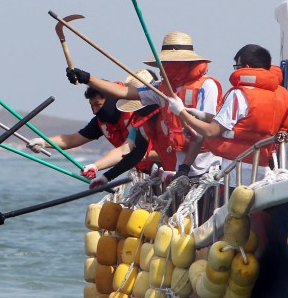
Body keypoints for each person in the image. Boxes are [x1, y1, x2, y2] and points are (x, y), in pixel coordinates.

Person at [68, 32, 223, 187]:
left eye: (167, 63)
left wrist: (184, 168)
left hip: (206, 172)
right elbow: (124, 92)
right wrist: (87, 78)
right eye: (162, 63)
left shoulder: (206, 86)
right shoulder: (159, 90)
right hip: (178, 173)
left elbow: (204, 131)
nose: (163, 68)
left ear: (181, 63)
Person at [166, 44, 288, 186]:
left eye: (236, 66)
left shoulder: (239, 94)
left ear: (246, 66)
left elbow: (211, 131)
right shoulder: (280, 95)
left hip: (235, 173)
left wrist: (181, 112)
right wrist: (201, 115)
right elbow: (246, 125)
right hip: (262, 171)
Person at [27, 75, 158, 178]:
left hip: (167, 170)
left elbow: (165, 150)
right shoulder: (100, 122)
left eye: (98, 105)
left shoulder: (146, 114)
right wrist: (43, 142)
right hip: (148, 174)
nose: (95, 111)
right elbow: (72, 139)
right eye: (92, 106)